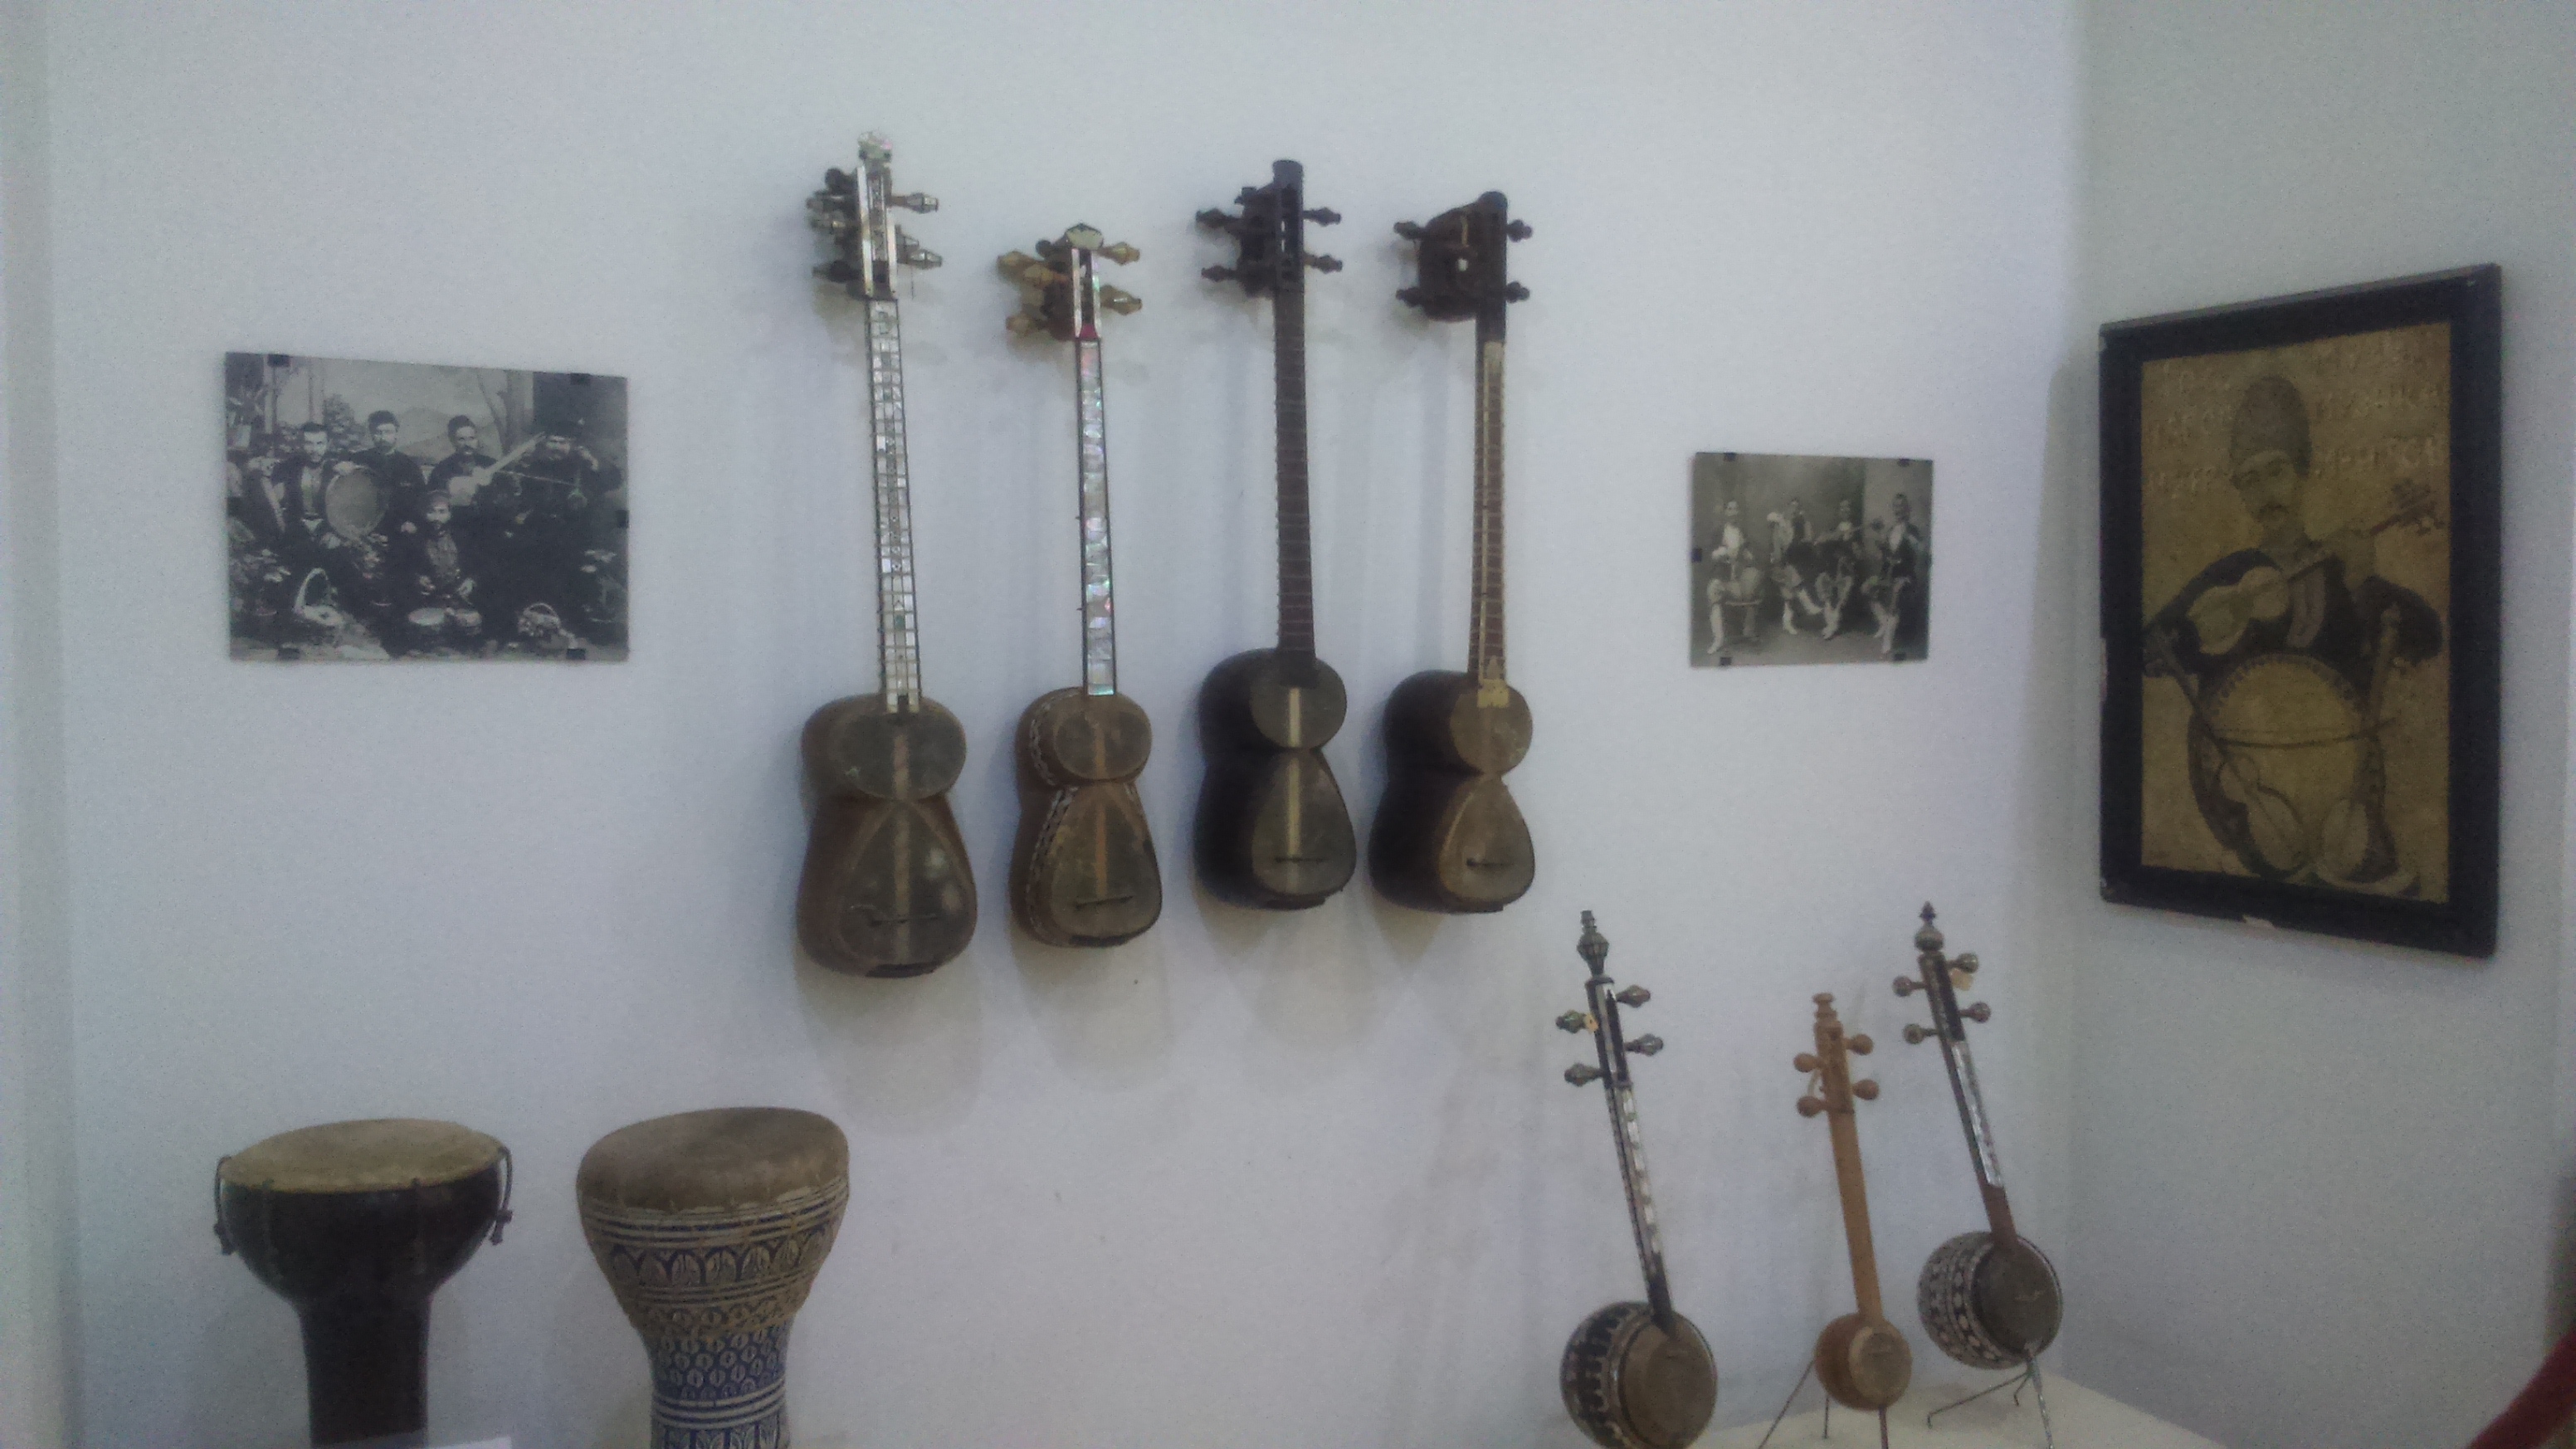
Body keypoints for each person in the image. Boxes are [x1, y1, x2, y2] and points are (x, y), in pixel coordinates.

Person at [2144, 374, 2442, 890]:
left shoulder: (2345, 570)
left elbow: (2427, 636)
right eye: (2250, 480)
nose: (2266, 494)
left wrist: (2361, 580)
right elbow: (2146, 651)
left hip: (2345, 804)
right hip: (2250, 804)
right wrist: (2196, 636)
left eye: (2276, 472)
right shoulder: (2229, 580)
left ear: (2302, 474)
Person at [474, 419, 619, 642]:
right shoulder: (535, 466)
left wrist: (593, 462)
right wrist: (517, 473)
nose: (556, 447)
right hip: (540, 532)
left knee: (571, 580)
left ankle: (571, 626)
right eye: (552, 441)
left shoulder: (583, 467)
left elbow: (614, 480)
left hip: (575, 535)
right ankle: (527, 624)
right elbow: (518, 498)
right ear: (544, 444)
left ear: (572, 445)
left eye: (562, 442)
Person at [391, 493, 483, 652]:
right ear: (424, 513)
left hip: (460, 599)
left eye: (442, 512)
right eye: (431, 512)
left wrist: (471, 580)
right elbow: (400, 569)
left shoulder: (462, 538)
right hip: (428, 601)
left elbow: (479, 566)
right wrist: (417, 579)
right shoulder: (415, 540)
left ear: (450, 514)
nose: (436, 518)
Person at [350, 409, 431, 534]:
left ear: (396, 433)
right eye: (378, 432)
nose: (383, 437)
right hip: (365, 529)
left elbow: (423, 499)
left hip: (400, 531)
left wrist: (414, 522)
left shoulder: (410, 466)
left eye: (388, 432)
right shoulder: (358, 460)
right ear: (371, 434)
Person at [1704, 497, 1754, 655]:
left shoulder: (1742, 532)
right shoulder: (1718, 531)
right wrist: (1722, 553)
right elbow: (1711, 555)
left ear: (1739, 512)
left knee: (1753, 588)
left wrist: (1747, 555)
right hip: (1723, 578)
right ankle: (1718, 639)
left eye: (1736, 509)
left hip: (1738, 579)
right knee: (1713, 590)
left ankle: (1748, 631)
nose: (1733, 512)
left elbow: (1748, 555)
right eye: (1730, 509)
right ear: (1725, 512)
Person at [426, 416, 498, 504]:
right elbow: (435, 502)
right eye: (461, 439)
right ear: (453, 441)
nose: (468, 444)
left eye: (472, 438)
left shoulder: (491, 464)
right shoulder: (441, 471)